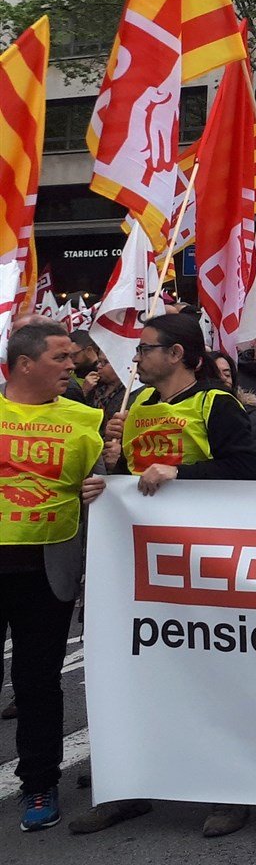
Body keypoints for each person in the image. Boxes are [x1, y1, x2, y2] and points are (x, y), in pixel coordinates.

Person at [77, 313, 256, 838]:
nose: (136, 357)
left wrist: (184, 474)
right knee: (132, 676)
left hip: (207, 567)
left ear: (177, 354)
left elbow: (247, 472)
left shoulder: (215, 404)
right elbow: (132, 485)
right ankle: (128, 786)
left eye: (146, 348)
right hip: (142, 570)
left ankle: (230, 790)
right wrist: (105, 481)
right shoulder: (134, 410)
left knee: (215, 678)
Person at [1, 324, 106, 831]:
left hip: (47, 571)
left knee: (37, 682)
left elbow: (112, 486)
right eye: (61, 357)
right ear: (24, 363)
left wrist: (105, 482)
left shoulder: (87, 417)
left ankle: (39, 783)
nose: (73, 365)